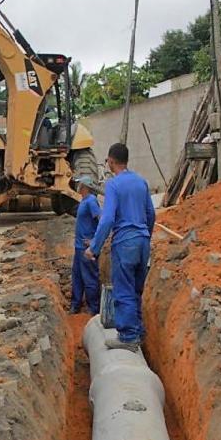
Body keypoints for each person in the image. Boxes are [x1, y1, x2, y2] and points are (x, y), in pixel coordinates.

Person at [85, 143, 155, 352]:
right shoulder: (141, 182)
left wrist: (94, 248)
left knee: (123, 291)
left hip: (125, 243)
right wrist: (145, 237)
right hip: (143, 242)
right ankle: (138, 330)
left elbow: (106, 220)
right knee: (136, 290)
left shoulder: (113, 185)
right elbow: (151, 214)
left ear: (111, 161)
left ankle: (128, 337)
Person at [70, 175, 101, 315]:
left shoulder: (91, 201)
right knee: (77, 276)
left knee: (89, 278)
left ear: (85, 186)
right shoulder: (83, 201)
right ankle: (75, 305)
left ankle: (93, 308)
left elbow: (101, 221)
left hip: (86, 248)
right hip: (79, 247)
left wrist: (94, 241)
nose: (78, 187)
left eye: (80, 184)